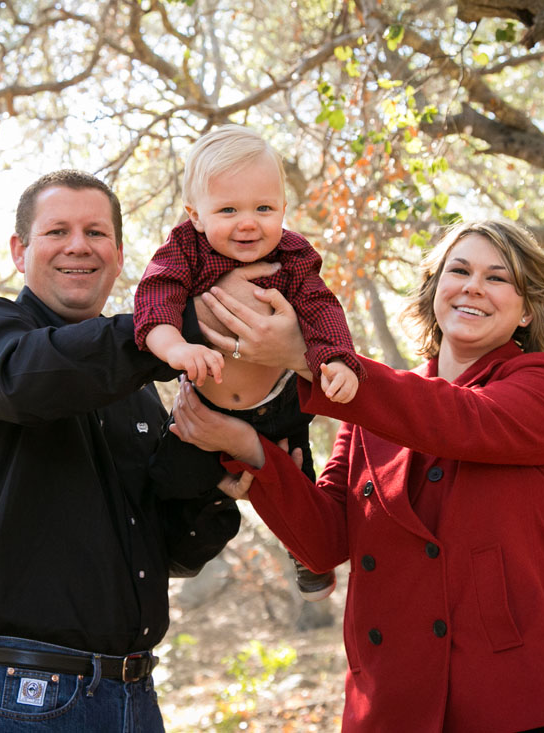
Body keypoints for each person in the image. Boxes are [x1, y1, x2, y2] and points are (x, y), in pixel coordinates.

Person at [170, 219, 544, 731]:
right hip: (388, 702)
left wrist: (308, 354)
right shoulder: (371, 410)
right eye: (459, 270)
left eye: (498, 278)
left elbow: (457, 420)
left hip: (510, 698)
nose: (474, 286)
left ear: (527, 310)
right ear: (435, 290)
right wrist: (248, 447)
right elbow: (324, 543)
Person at [0, 170, 246, 732]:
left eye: (96, 232)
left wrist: (216, 482)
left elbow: (170, 553)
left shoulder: (141, 393)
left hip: (134, 697)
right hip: (20, 701)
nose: (79, 245)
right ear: (19, 251)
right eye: (58, 231)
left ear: (119, 256)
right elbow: (26, 381)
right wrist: (164, 329)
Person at [134, 124, 366, 601]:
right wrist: (178, 349)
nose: (248, 223)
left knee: (299, 476)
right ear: (195, 216)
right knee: (170, 479)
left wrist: (337, 360)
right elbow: (155, 299)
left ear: (283, 208)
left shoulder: (294, 254)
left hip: (279, 403)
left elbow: (322, 308)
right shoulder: (184, 250)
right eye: (228, 210)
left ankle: (308, 560)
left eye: (264, 208)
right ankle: (193, 532)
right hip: (208, 409)